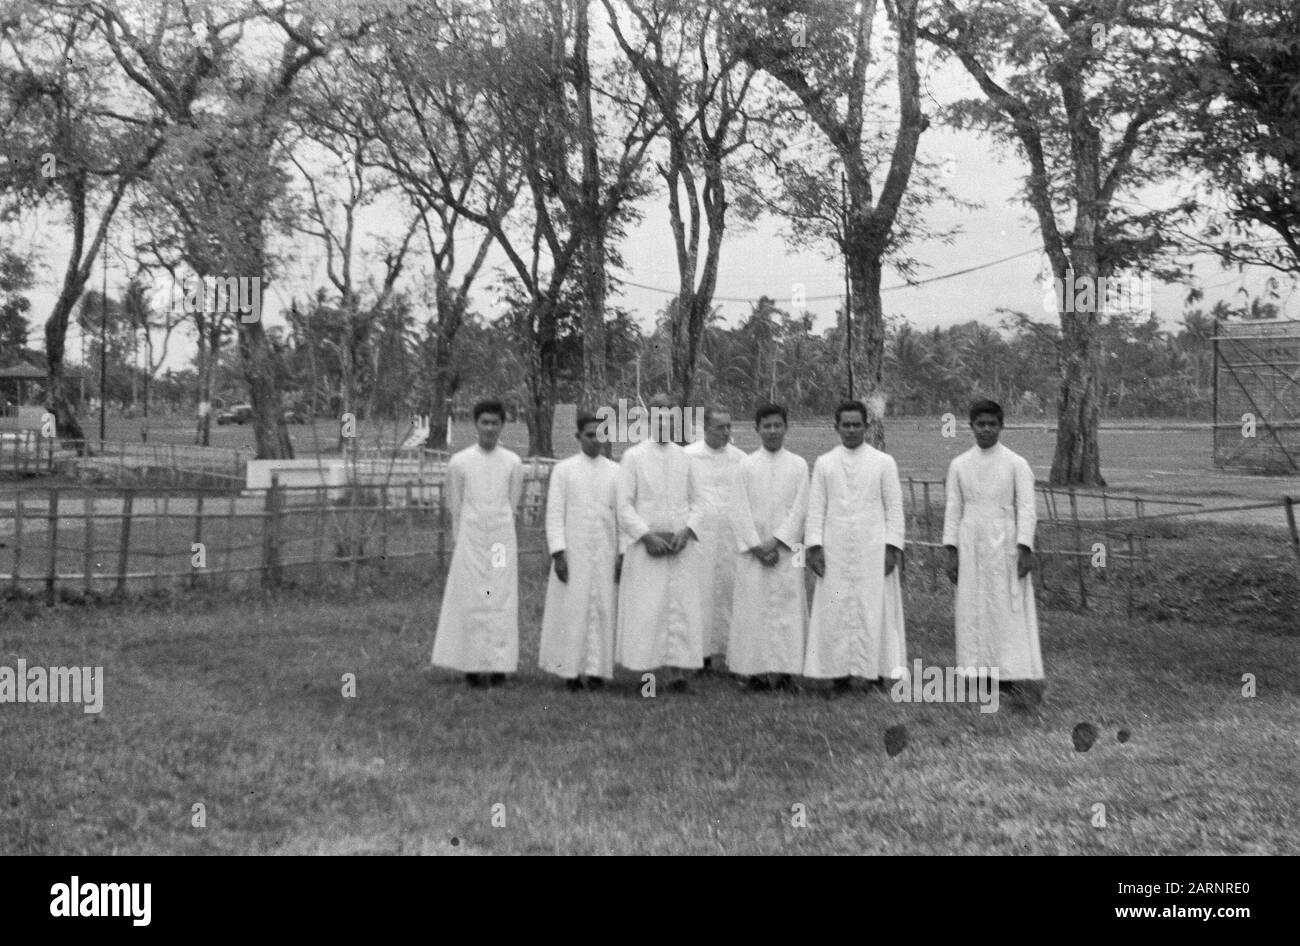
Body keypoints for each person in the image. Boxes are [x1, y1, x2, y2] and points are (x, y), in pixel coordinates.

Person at [942, 399, 1044, 707]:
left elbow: (1027, 508)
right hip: (971, 538)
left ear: (1001, 426)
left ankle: (1008, 674)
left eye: (992, 424)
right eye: (980, 424)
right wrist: (951, 549)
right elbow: (953, 507)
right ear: (971, 426)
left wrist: (1025, 547)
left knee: (1004, 605)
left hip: (1005, 542)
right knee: (973, 605)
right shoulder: (959, 464)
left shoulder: (1016, 463)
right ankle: (977, 673)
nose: (986, 429)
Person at [803, 400, 907, 696]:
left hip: (872, 548)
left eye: (856, 424)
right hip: (835, 548)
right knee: (835, 609)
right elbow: (816, 508)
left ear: (867, 426)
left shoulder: (883, 463)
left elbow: (895, 509)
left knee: (873, 608)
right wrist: (814, 546)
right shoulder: (824, 463)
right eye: (845, 425)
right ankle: (838, 674)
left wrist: (892, 547)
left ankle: (874, 673)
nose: (851, 430)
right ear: (836, 428)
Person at [615, 392, 705, 693]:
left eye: (670, 413)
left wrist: (687, 530)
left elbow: (699, 502)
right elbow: (624, 506)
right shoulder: (633, 457)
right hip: (647, 548)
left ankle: (678, 674)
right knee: (648, 612)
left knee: (679, 610)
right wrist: (646, 536)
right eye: (658, 413)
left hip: (679, 548)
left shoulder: (686, 457)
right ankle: (648, 678)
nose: (664, 419)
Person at [431, 398, 524, 688]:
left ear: (502, 426)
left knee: (498, 596)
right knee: (472, 597)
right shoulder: (459, 462)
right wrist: (462, 540)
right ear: (476, 424)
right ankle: (471, 664)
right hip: (471, 540)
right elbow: (455, 506)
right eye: (484, 422)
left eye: (495, 423)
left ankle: (499, 665)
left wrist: (500, 534)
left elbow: (513, 504)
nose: (489, 428)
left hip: (499, 542)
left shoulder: (512, 462)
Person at [728, 403, 810, 692]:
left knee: (789, 609)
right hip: (754, 554)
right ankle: (756, 673)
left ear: (786, 428)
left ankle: (786, 674)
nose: (773, 431)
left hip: (788, 552)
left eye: (778, 425)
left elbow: (800, 510)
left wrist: (777, 542)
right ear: (757, 429)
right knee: (754, 609)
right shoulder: (745, 465)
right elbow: (738, 509)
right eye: (767, 426)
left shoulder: (799, 465)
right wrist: (757, 546)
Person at [539, 414, 621, 691]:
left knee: (601, 609)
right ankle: (571, 672)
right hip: (574, 553)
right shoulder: (564, 470)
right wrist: (558, 553)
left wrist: (621, 553)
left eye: (600, 434)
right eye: (589, 435)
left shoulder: (615, 471)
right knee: (571, 611)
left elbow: (621, 517)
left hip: (605, 552)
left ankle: (596, 671)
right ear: (578, 437)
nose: (595, 440)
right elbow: (554, 514)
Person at [684, 405, 746, 671]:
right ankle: (700, 654)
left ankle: (732, 654)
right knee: (701, 593)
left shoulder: (741, 458)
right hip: (699, 537)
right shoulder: (688, 456)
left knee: (730, 594)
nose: (726, 432)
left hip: (731, 538)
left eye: (729, 426)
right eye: (720, 427)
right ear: (705, 428)